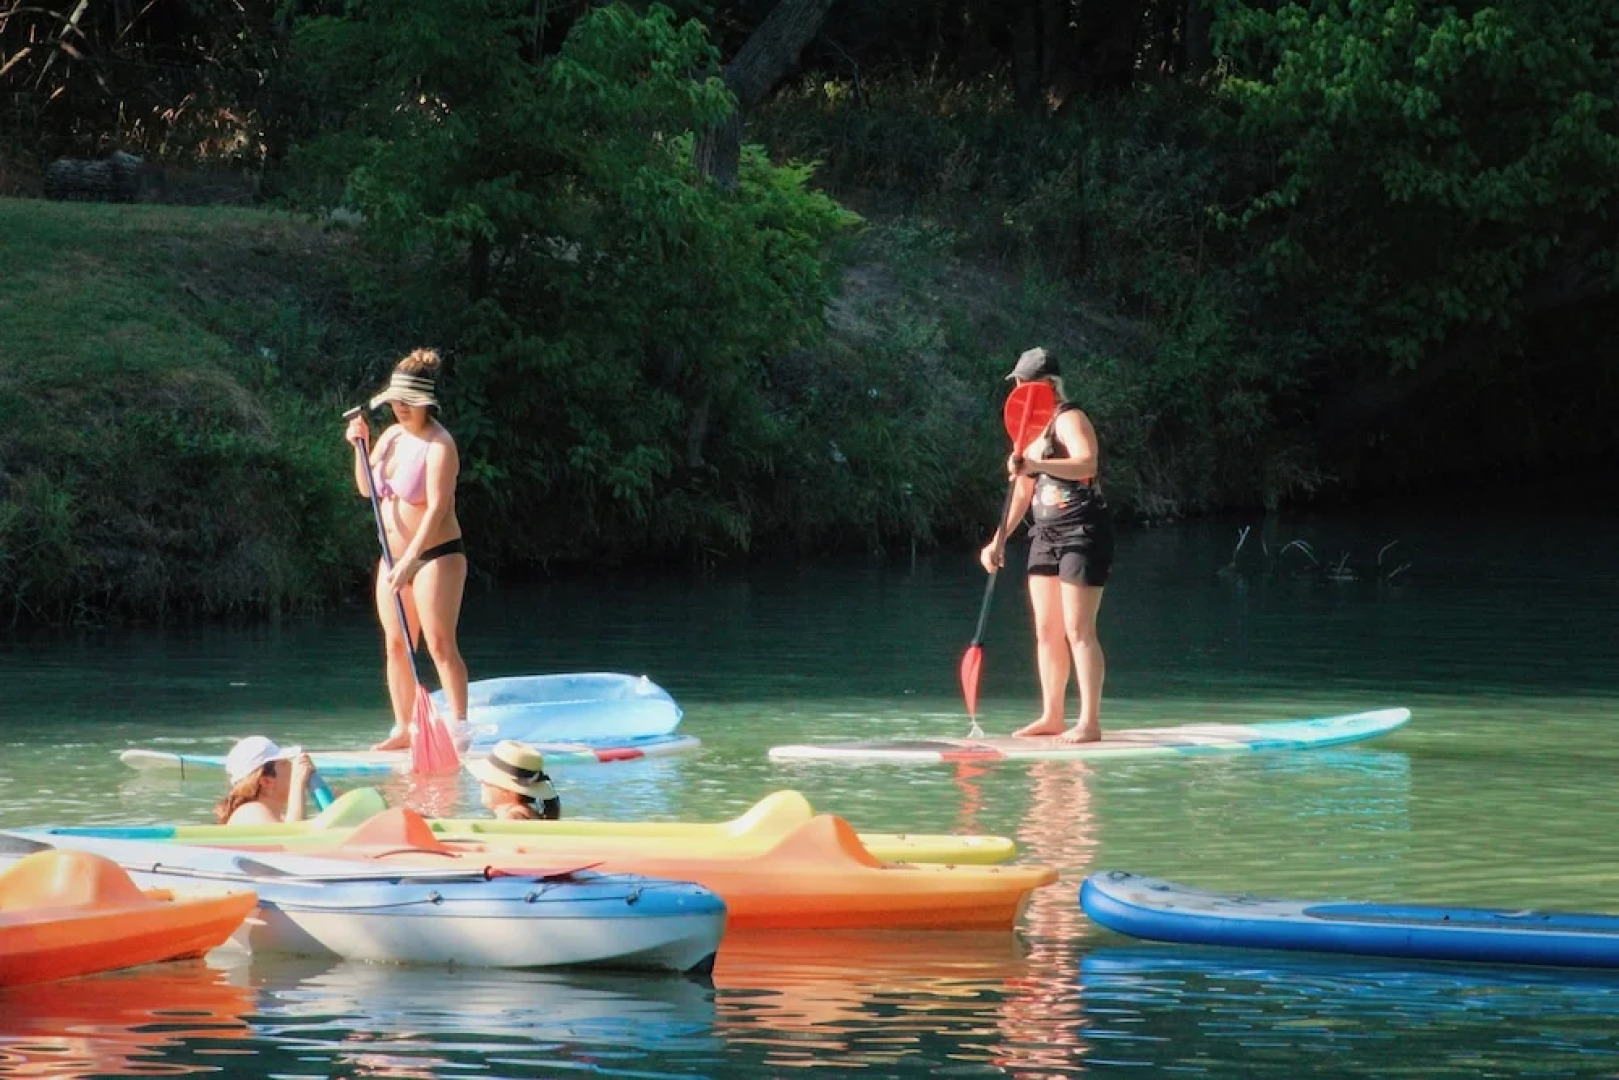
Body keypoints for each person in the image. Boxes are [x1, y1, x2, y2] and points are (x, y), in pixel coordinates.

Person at [979, 346, 1114, 743]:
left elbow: (1087, 464)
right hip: (1045, 534)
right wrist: (998, 539)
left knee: (1078, 629)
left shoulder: (1070, 418)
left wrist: (1037, 464)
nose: (1020, 388)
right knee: (1046, 630)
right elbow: (1022, 494)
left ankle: (1089, 722)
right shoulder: (1028, 430)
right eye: (1017, 383)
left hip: (1082, 530)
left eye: (1026, 382)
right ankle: (1052, 715)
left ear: (1048, 385)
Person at [344, 348, 469, 752]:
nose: (398, 408)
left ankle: (460, 729)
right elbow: (367, 488)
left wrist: (413, 558)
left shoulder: (440, 445)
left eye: (406, 402)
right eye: (395, 402)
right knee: (396, 644)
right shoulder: (392, 437)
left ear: (424, 403)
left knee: (438, 644)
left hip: (436, 556)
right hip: (392, 558)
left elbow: (438, 507)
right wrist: (358, 446)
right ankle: (403, 728)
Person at [214, 736, 317, 825]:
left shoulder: (277, 817)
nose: (292, 766)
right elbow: (293, 842)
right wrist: (297, 785)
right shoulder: (250, 812)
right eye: (284, 763)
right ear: (266, 781)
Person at [467, 740, 562, 821]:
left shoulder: (512, 818)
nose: (480, 781)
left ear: (509, 791)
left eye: (487, 781)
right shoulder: (528, 813)